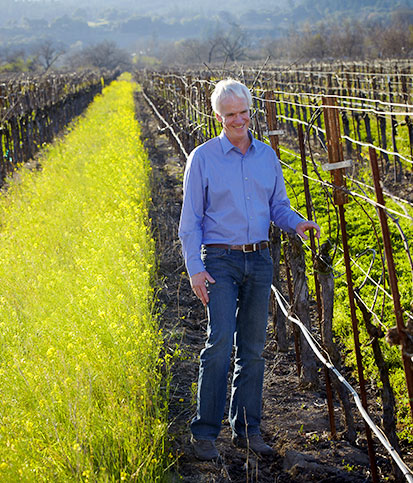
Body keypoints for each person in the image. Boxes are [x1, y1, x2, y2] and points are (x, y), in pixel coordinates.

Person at [178, 79, 320, 461]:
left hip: (259, 259)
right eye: (230, 115)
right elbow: (189, 221)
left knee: (253, 350)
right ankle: (205, 434)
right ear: (217, 116)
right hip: (220, 261)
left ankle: (247, 430)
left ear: (250, 111)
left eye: (243, 113)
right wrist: (194, 268)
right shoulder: (203, 158)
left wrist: (296, 223)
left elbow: (278, 205)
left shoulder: (266, 155)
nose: (238, 120)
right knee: (219, 343)